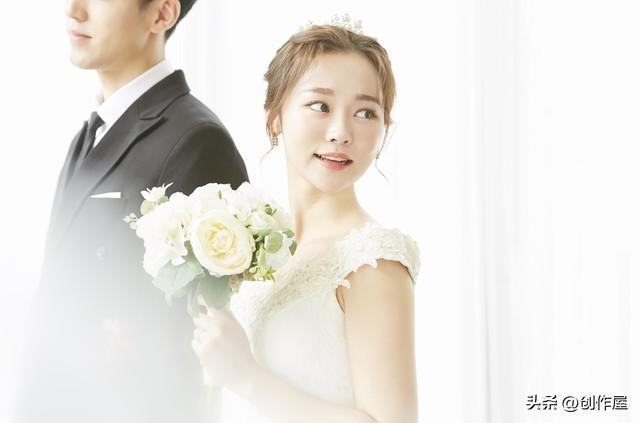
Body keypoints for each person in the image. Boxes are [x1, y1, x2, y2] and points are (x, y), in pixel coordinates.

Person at [12, 0, 248, 422]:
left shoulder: (197, 141)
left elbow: (190, 350)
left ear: (161, 14)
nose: (74, 10)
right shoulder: (90, 133)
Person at [192, 24, 420, 423]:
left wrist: (247, 377)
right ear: (275, 117)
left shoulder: (373, 261)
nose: (341, 133)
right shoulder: (257, 250)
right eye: (320, 106)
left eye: (365, 112)